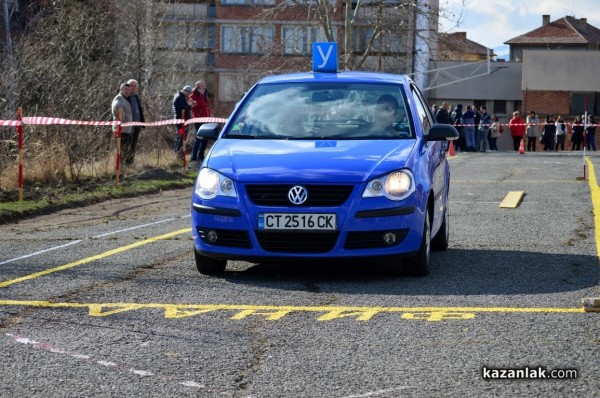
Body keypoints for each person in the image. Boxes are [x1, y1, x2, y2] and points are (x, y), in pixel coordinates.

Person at [111, 83, 133, 165]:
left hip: (127, 130)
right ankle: (119, 169)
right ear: (121, 90)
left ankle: (124, 167)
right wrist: (122, 115)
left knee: (126, 150)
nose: (127, 91)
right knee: (120, 151)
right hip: (120, 130)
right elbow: (116, 107)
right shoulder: (118, 98)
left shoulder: (127, 99)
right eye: (125, 89)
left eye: (129, 90)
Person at [189, 81, 212, 163]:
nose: (203, 87)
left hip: (206, 118)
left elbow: (207, 106)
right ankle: (193, 157)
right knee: (198, 138)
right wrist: (201, 95)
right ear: (197, 88)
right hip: (198, 119)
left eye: (204, 86)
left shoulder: (205, 95)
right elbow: (198, 105)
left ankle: (201, 156)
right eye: (201, 86)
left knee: (205, 138)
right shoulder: (193, 96)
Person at [126, 79, 145, 165]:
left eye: (135, 86)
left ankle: (131, 162)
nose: (133, 87)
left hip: (137, 125)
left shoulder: (136, 97)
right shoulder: (125, 97)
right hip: (128, 125)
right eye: (131, 85)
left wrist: (142, 122)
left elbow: (139, 110)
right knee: (127, 144)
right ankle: (125, 162)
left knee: (133, 144)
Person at [172, 85, 194, 159]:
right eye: (189, 94)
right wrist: (191, 106)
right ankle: (178, 153)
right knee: (181, 137)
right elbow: (183, 108)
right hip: (181, 121)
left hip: (182, 120)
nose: (189, 95)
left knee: (181, 137)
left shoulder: (181, 97)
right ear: (186, 92)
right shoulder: (179, 98)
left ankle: (179, 153)